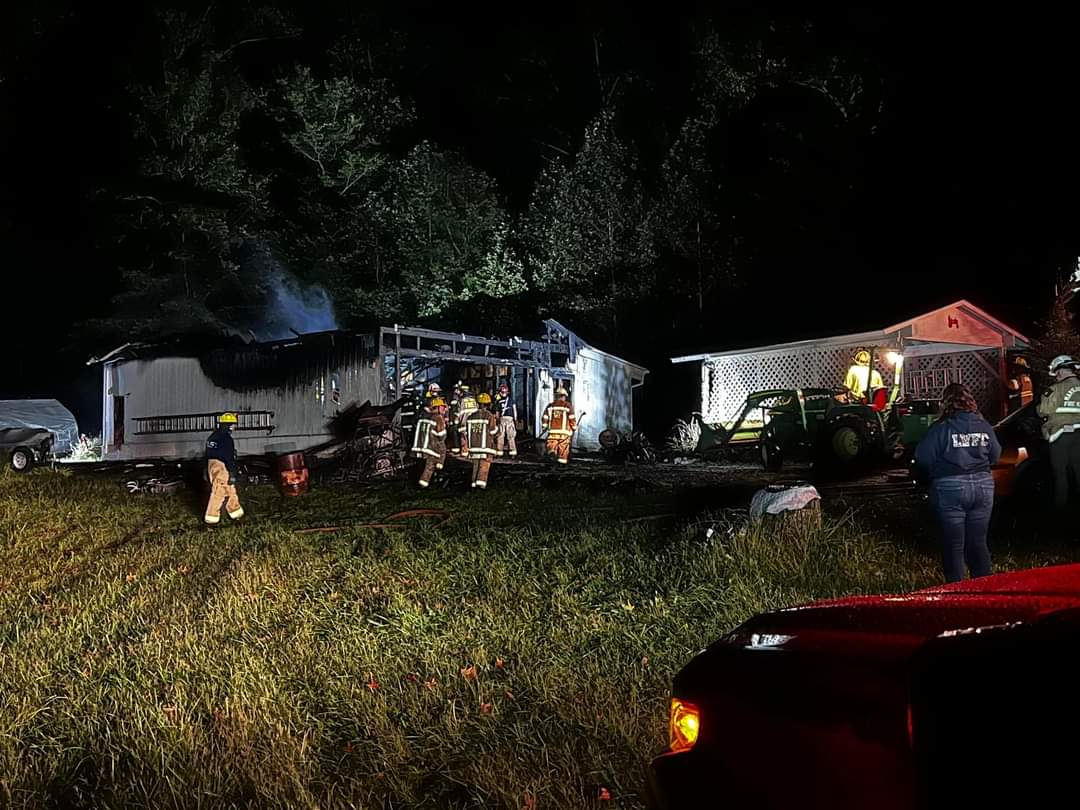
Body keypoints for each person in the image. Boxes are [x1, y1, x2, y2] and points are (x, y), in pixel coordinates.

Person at [915, 383, 1001, 583]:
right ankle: (985, 591)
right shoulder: (983, 425)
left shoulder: (941, 428)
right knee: (978, 542)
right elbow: (995, 455)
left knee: (953, 545)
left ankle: (958, 594)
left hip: (950, 487)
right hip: (983, 485)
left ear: (945, 403)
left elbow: (923, 457)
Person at [1037, 354, 1080, 508]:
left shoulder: (1055, 389)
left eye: (1056, 374)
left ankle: (1060, 511)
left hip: (1060, 435)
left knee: (1060, 475)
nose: (1056, 377)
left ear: (1060, 372)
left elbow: (1043, 410)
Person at [204, 412, 244, 526]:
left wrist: (205, 469)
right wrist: (232, 473)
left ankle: (236, 513)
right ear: (229, 425)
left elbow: (207, 454)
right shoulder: (226, 439)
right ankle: (211, 518)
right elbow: (229, 457)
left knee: (229, 489)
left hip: (211, 465)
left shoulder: (212, 437)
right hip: (222, 466)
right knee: (219, 491)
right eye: (233, 425)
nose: (234, 427)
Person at [413, 397, 448, 488]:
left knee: (420, 466)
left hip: (418, 447)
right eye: (442, 407)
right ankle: (424, 485)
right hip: (430, 448)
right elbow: (442, 436)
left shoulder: (422, 416)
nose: (444, 409)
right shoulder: (438, 418)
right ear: (438, 407)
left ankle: (419, 481)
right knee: (431, 464)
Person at [466, 392, 499, 488]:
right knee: (484, 466)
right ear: (488, 404)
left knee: (475, 466)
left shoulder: (471, 416)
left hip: (473, 447)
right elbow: (493, 431)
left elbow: (467, 432)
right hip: (486, 447)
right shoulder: (489, 416)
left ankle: (473, 483)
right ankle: (481, 486)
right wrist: (498, 430)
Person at [542, 385, 577, 465]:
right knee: (563, 447)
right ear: (564, 396)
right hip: (564, 432)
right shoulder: (567, 405)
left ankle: (552, 452)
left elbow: (545, 417)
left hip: (553, 431)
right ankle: (562, 462)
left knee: (551, 444)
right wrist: (574, 427)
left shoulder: (550, 406)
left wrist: (544, 426)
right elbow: (572, 417)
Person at [494, 382, 518, 457]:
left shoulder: (498, 402)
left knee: (500, 435)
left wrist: (497, 421)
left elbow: (497, 413)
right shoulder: (511, 400)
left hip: (502, 419)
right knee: (511, 436)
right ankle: (512, 452)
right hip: (510, 419)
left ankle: (499, 452)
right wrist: (515, 420)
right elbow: (515, 411)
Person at [455, 383, 479, 456]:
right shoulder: (474, 400)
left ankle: (464, 451)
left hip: (464, 422)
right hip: (474, 421)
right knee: (473, 435)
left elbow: (459, 412)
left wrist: (456, 420)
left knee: (464, 436)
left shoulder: (461, 401)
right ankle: (473, 450)